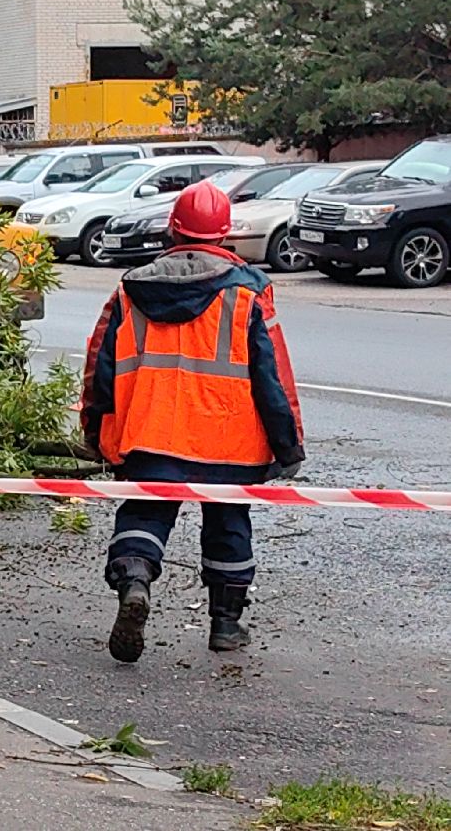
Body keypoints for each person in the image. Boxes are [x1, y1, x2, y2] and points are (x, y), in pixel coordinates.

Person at [80, 179, 305, 664]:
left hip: (150, 432)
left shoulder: (132, 288)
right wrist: (288, 446)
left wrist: (95, 429)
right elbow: (273, 375)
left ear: (172, 228)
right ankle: (225, 626)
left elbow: (99, 362)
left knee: (143, 517)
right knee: (228, 523)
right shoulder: (248, 294)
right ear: (225, 235)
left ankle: (135, 584)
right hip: (229, 440)